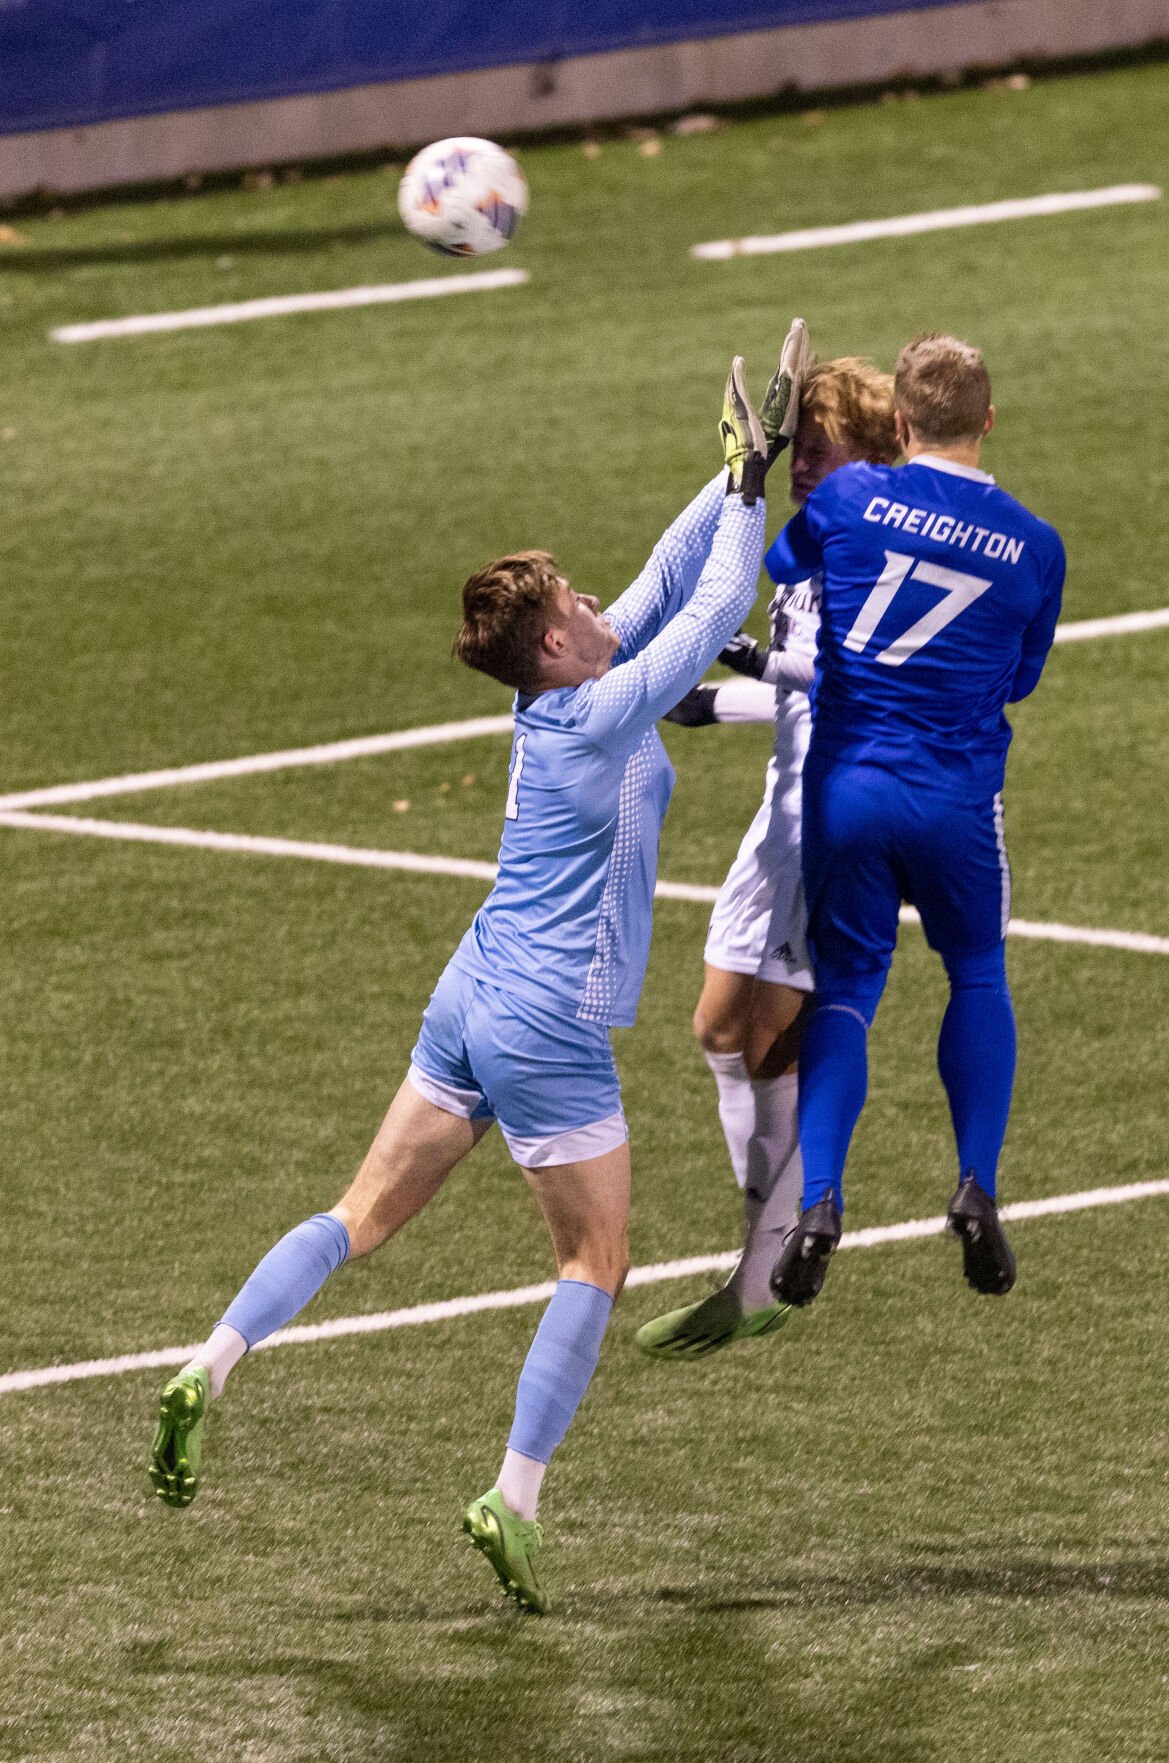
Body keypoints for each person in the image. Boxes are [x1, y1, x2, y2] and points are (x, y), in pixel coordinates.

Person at [146, 349, 794, 1616]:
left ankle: (209, 1363)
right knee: (596, 1259)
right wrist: (753, 494)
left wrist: (726, 473)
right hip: (547, 1020)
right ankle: (516, 1493)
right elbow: (712, 609)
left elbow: (667, 579)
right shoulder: (604, 709)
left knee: (360, 1215)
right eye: (576, 596)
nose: (601, 594)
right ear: (558, 639)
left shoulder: (558, 699)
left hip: (473, 987)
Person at [767, 333, 1066, 1310]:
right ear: (988, 420)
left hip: (846, 787)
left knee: (848, 986)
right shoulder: (1035, 544)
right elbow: (1021, 675)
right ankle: (976, 1180)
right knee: (976, 969)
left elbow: (782, 562)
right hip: (955, 799)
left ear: (898, 423)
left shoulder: (850, 497)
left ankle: (818, 1201)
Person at [637, 356, 899, 1359]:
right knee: (715, 1029)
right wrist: (719, 701)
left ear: (871, 454)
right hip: (776, 813)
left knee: (774, 1040)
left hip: (831, 820)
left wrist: (739, 664)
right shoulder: (815, 539)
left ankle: (767, 1268)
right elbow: (805, 690)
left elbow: (854, 685)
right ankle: (772, 1240)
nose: (805, 462)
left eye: (821, 446)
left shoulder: (877, 551)